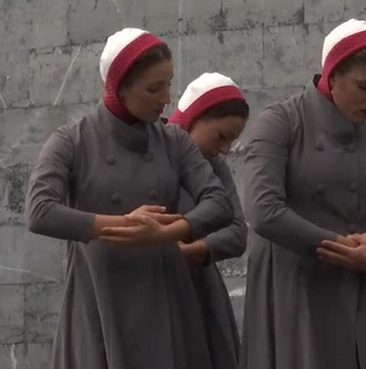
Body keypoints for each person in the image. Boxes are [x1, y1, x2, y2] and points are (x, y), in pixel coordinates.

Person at [24, 28, 234, 369]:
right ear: (118, 86)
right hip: (99, 294)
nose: (167, 97)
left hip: (165, 291)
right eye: (154, 88)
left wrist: (169, 232)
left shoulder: (174, 141)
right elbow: (39, 211)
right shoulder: (72, 141)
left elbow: (220, 203)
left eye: (168, 83)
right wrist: (123, 226)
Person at [239, 18, 366, 369]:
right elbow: (263, 210)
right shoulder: (280, 122)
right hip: (298, 286)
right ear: (332, 78)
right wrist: (343, 248)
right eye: (364, 87)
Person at [167, 72, 250, 369]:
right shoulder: (150, 157)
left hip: (199, 287)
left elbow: (238, 232)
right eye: (221, 137)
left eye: (232, 139)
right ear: (194, 118)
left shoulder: (213, 166)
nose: (225, 148)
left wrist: (195, 248)